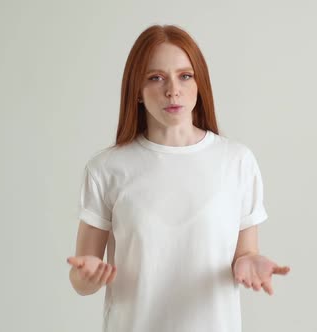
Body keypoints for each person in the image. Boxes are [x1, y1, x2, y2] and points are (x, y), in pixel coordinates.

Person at [66, 24, 290, 332]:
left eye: (185, 76)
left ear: (200, 83)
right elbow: (81, 277)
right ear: (138, 91)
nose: (173, 89)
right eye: (156, 78)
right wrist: (87, 276)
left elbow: (245, 253)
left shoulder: (236, 161)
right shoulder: (107, 168)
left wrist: (249, 262)